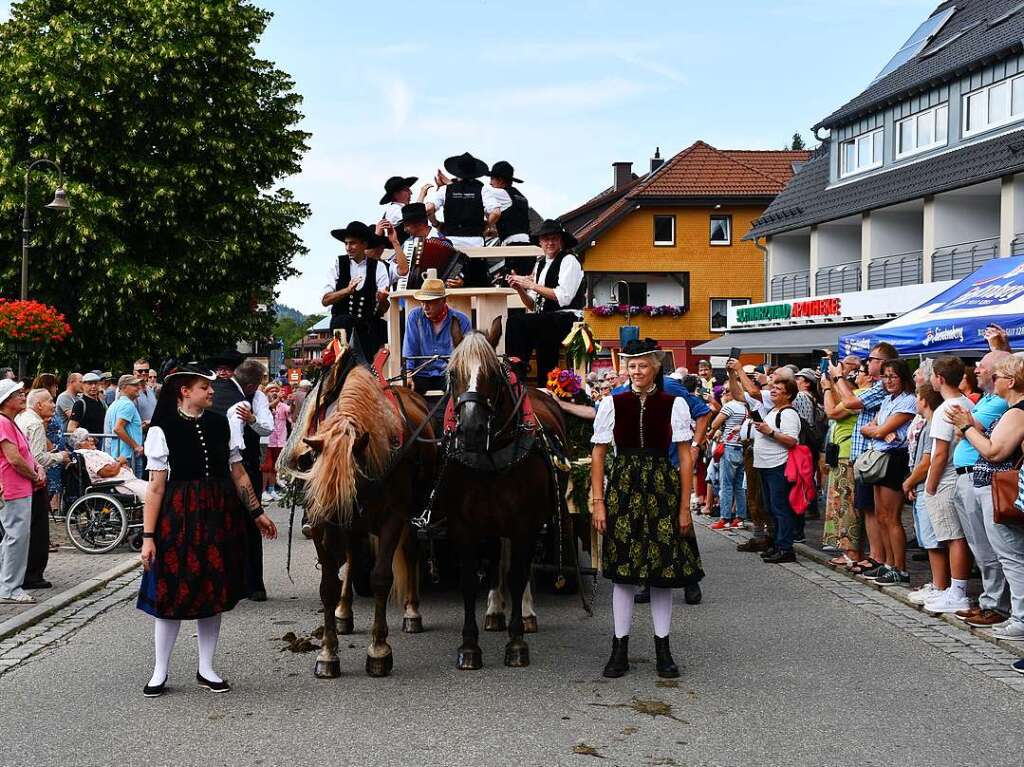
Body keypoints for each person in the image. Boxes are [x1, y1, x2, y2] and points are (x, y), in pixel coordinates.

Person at [137, 362, 277, 697]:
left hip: (217, 515)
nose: (212, 391)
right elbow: (156, 488)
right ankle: (160, 670)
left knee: (212, 592)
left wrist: (257, 512)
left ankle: (206, 667)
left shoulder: (221, 424)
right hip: (178, 517)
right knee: (170, 592)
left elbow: (239, 473)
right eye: (205, 386)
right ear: (185, 391)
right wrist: (148, 537)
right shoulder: (162, 429)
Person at [590, 342, 701, 679]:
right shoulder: (613, 402)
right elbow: (598, 455)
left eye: (642, 366)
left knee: (662, 576)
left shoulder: (674, 403)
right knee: (623, 575)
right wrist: (598, 502)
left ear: (656, 368)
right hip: (623, 489)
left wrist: (685, 506)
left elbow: (684, 457)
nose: (636, 372)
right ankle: (619, 649)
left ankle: (663, 650)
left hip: (661, 489)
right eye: (631, 367)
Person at [947, 355, 1024, 642]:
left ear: (1012, 382)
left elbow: (994, 452)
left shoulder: (1016, 413)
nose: (995, 380)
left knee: (1011, 556)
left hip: (1004, 489)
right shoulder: (1013, 411)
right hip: (998, 488)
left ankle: (1020, 618)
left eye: (1000, 376)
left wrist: (967, 427)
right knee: (1009, 554)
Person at [827, 342, 899, 576]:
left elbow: (846, 404)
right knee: (869, 509)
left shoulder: (880, 389)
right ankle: (877, 556)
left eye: (873, 359)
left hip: (876, 457)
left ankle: (882, 559)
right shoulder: (879, 388)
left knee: (880, 512)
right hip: (864, 456)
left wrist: (838, 379)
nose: (868, 363)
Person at [209, 357, 273, 601]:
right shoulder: (229, 396)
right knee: (240, 521)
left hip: (243, 466)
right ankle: (236, 582)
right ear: (252, 385)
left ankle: (254, 583)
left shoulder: (257, 399)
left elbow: (267, 428)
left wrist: (253, 419)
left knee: (247, 524)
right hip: (234, 465)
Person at [919, 356, 976, 614]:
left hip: (946, 478)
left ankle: (957, 592)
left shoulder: (945, 409)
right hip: (960, 475)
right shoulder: (964, 401)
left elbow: (940, 453)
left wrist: (930, 484)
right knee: (958, 536)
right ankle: (955, 589)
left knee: (953, 536)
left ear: (939, 379)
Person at [857, 359, 917, 586]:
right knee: (880, 515)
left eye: (893, 376)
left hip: (894, 459)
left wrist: (880, 431)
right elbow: (867, 428)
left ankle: (900, 568)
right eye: (885, 376)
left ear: (903, 378)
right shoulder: (887, 401)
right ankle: (888, 563)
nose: (889, 381)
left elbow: (880, 428)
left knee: (891, 517)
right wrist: (880, 432)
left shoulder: (908, 401)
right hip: (880, 456)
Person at [505, 219, 585, 386]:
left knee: (523, 323)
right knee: (520, 321)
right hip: (547, 318)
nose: (550, 242)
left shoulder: (569, 260)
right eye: (545, 239)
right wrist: (520, 288)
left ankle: (518, 371)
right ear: (540, 242)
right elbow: (533, 304)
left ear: (561, 241)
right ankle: (520, 370)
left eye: (554, 238)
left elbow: (564, 297)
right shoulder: (540, 263)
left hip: (569, 318)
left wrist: (532, 285)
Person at [15, 389, 69, 589]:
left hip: (23, 482)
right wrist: (59, 457)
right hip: (34, 481)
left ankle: (22, 572)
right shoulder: (36, 424)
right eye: (50, 401)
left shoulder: (22, 418)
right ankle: (33, 574)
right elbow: (37, 458)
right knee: (37, 530)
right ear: (38, 405)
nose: (53, 405)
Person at [0, 381, 46, 604]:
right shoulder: (2, 422)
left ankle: (6, 584)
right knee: (16, 537)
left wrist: (37, 467)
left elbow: (24, 454)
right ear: (6, 400)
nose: (22, 395)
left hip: (20, 486)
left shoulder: (11, 421)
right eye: (17, 393)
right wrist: (34, 475)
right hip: (13, 487)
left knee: (13, 537)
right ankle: (10, 588)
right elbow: (14, 458)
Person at [751, 375, 802, 563]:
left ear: (788, 395)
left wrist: (769, 432)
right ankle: (776, 544)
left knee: (780, 508)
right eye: (773, 387)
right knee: (771, 508)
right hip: (765, 465)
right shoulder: (774, 410)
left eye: (778, 389)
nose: (772, 390)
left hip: (778, 465)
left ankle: (785, 547)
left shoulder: (788, 413)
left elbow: (791, 440)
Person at [322, 220, 392, 358]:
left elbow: (384, 309)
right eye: (346, 243)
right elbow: (325, 300)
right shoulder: (338, 264)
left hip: (367, 330)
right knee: (345, 321)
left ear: (364, 244)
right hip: (341, 330)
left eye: (353, 243)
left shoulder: (378, 267)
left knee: (381, 327)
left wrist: (382, 299)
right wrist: (346, 291)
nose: (348, 247)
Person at [904, 382, 946, 604]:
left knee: (932, 541)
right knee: (927, 538)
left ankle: (940, 585)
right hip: (920, 486)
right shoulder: (928, 424)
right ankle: (937, 582)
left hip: (926, 486)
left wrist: (909, 482)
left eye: (918, 397)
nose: (915, 401)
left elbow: (926, 462)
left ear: (925, 401)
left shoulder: (931, 427)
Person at [402, 270, 472, 395]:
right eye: (422, 302)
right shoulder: (414, 317)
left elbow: (466, 356)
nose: (425, 307)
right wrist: (408, 374)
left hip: (450, 374)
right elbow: (410, 348)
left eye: (430, 302)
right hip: (421, 373)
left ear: (443, 300)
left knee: (460, 394)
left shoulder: (462, 320)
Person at [821, 366, 862, 567]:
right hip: (841, 454)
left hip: (848, 453)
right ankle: (847, 549)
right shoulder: (852, 395)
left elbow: (831, 412)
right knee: (839, 504)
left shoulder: (857, 395)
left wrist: (828, 388)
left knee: (846, 505)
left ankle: (852, 552)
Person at [427, 152, 500, 248]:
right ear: (474, 173)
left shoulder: (445, 189)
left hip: (452, 241)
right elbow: (496, 212)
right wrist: (486, 226)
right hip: (476, 241)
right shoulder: (482, 190)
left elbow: (429, 208)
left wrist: (436, 223)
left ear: (457, 171)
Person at [66, 428, 149, 499]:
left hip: (127, 481)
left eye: (90, 437)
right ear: (79, 445)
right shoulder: (87, 454)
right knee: (151, 495)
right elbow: (109, 472)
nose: (91, 439)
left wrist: (119, 464)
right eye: (87, 439)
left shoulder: (92, 452)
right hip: (117, 484)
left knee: (153, 490)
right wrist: (119, 462)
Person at [707, 387, 747, 530]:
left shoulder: (730, 406)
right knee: (739, 486)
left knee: (726, 485)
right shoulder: (747, 407)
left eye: (727, 392)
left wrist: (715, 428)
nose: (723, 394)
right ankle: (740, 517)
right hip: (742, 447)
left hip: (729, 448)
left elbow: (714, 424)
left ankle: (725, 518)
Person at [105, 375, 145, 474]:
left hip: (117, 456)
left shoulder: (114, 404)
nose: (138, 387)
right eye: (135, 385)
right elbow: (118, 428)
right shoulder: (128, 404)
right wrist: (136, 446)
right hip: (127, 457)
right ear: (124, 387)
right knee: (134, 488)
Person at [261, 383, 290, 504]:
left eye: (275, 390)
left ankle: (272, 489)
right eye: (270, 391)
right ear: (266, 393)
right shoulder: (263, 405)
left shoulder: (282, 406)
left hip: (279, 441)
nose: (273, 392)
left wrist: (292, 403)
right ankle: (263, 491)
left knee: (274, 467)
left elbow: (291, 415)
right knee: (265, 467)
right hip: (267, 440)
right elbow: (266, 408)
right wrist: (278, 399)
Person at [378, 174, 417, 241]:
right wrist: (422, 194)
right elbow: (413, 216)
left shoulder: (399, 208)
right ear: (396, 194)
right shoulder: (393, 209)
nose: (411, 192)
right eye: (407, 189)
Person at [68, 371, 107, 436]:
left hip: (101, 442)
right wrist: (87, 436)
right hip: (86, 444)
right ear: (83, 385)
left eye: (96, 383)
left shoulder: (101, 402)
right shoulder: (80, 404)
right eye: (90, 383)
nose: (93, 386)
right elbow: (70, 428)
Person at [133, 358, 158, 431]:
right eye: (140, 371)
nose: (143, 373)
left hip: (152, 434)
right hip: (138, 435)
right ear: (134, 373)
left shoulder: (150, 390)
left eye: (146, 371)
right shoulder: (131, 392)